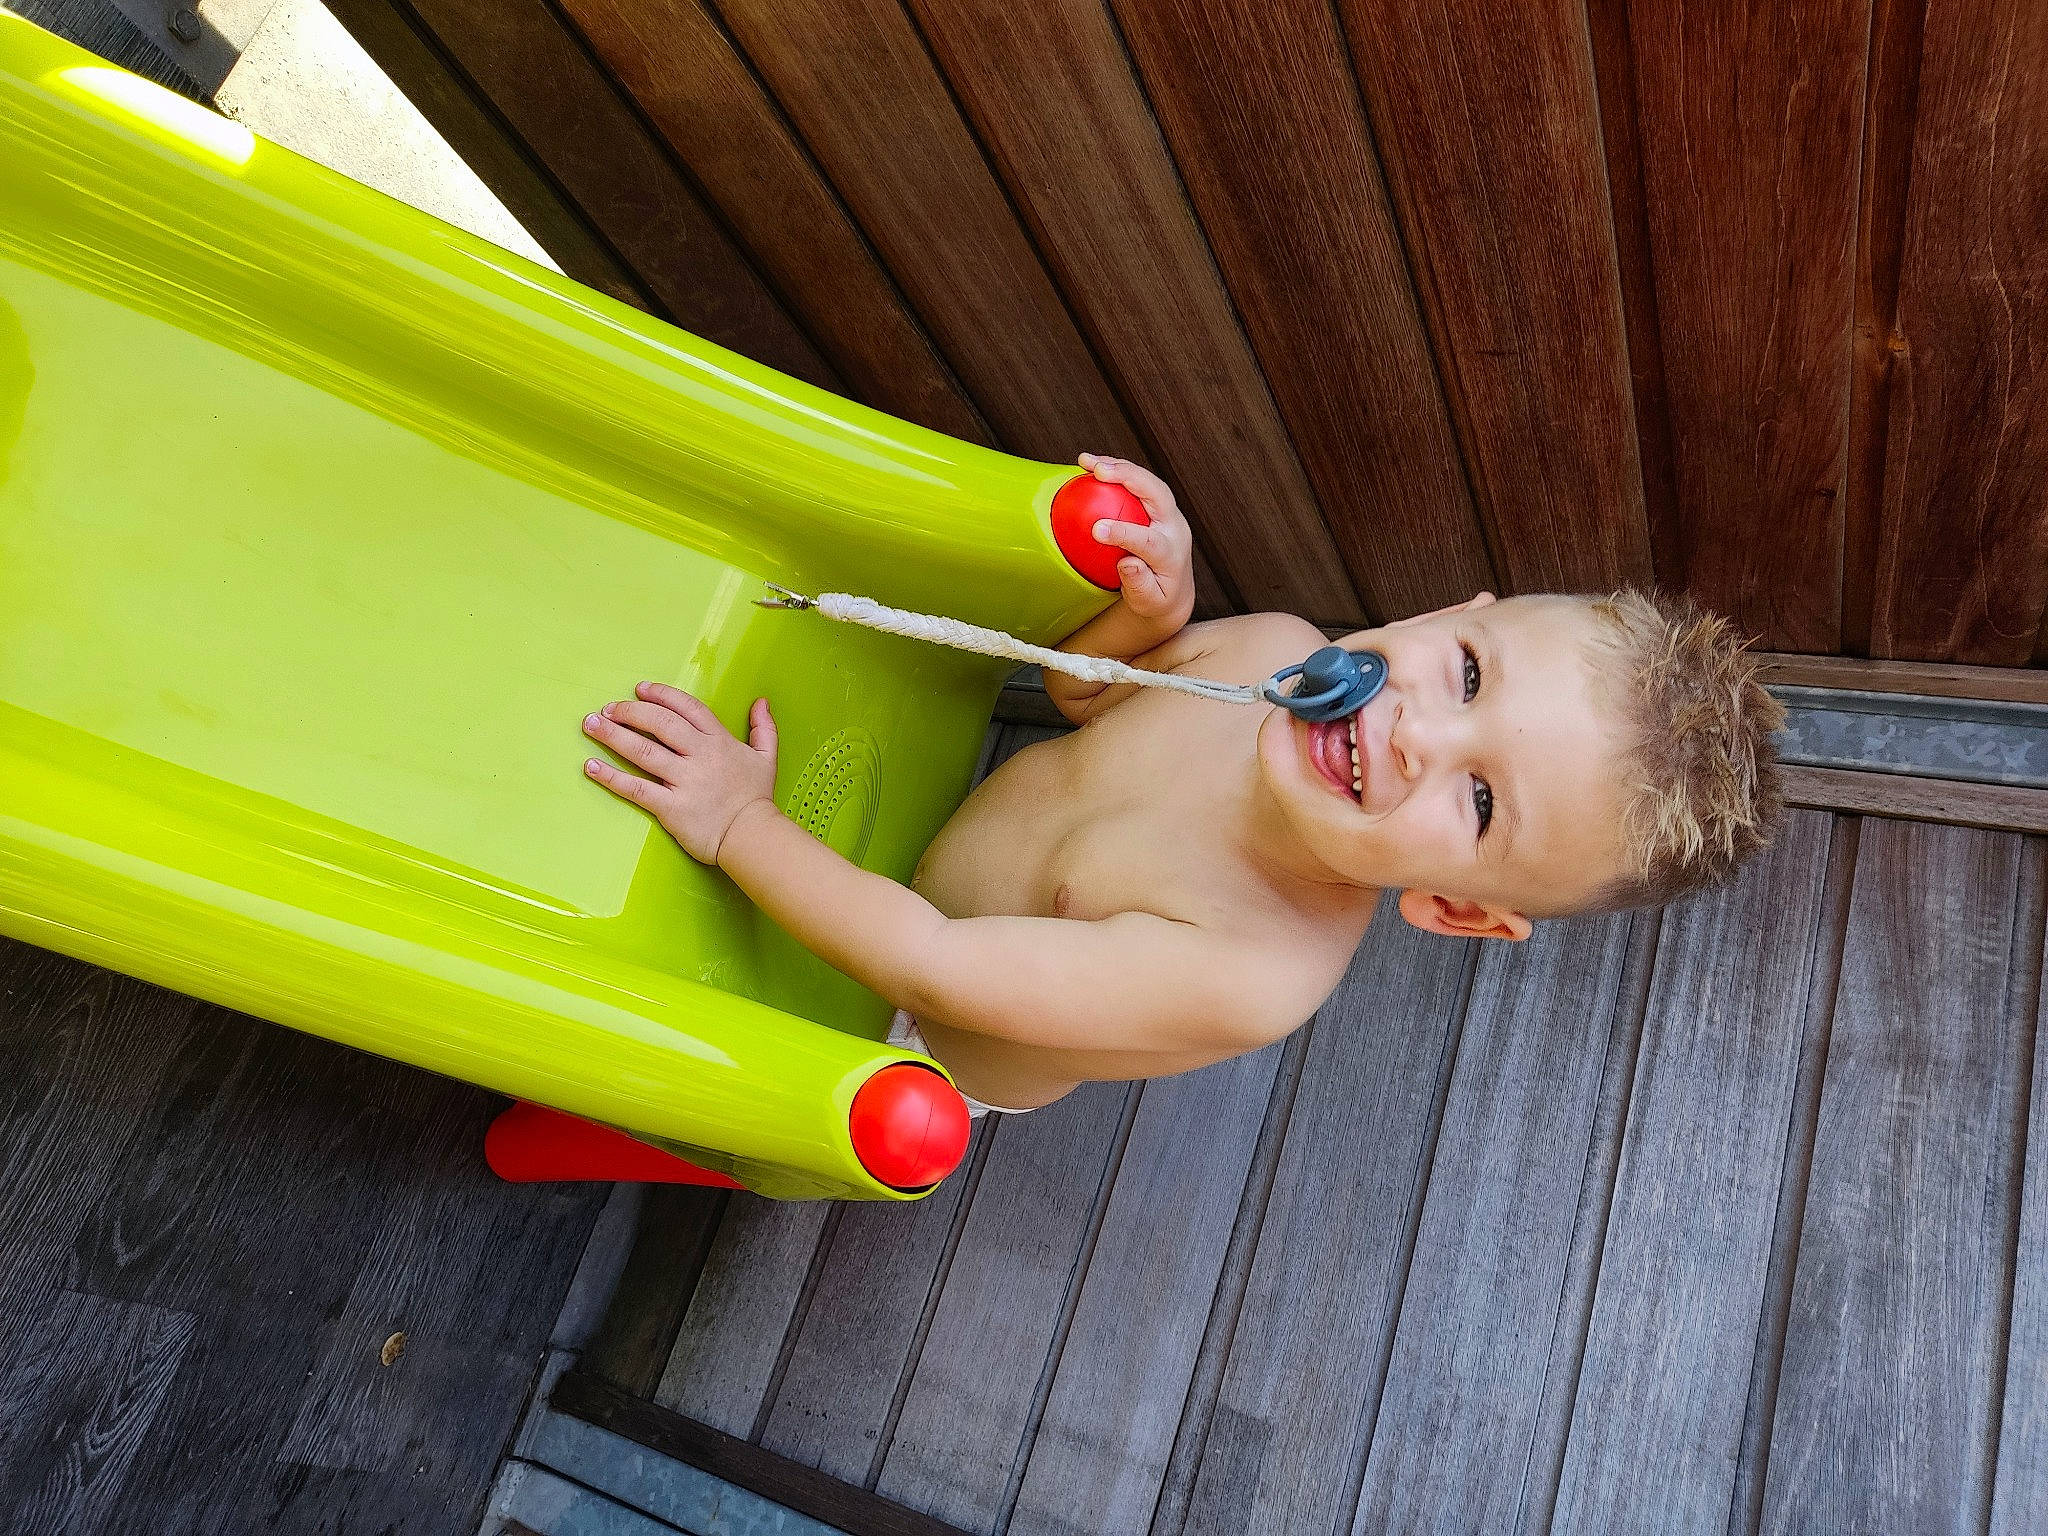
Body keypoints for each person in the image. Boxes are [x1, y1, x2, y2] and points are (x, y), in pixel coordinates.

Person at [580, 455, 1782, 1116]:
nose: (1419, 732)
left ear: (1455, 909)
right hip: (900, 840)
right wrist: (1142, 619)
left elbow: (930, 966)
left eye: (1477, 802)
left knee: (679, 1063)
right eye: (1465, 673)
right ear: (1448, 609)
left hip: (908, 1032)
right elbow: (1085, 704)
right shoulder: (1267, 651)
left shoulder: (1248, 970)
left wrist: (737, 820)